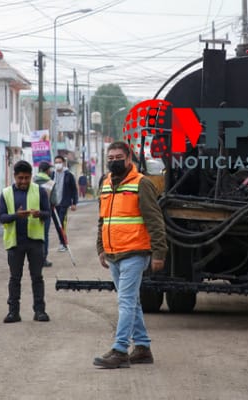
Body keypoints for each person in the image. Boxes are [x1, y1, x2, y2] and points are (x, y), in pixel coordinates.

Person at [93, 141, 167, 369]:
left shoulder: (141, 184)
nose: (113, 160)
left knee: (125, 302)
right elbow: (103, 219)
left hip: (135, 252)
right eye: (110, 157)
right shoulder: (105, 183)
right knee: (132, 302)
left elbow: (155, 220)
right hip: (113, 252)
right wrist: (100, 247)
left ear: (129, 159)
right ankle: (143, 348)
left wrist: (158, 253)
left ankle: (120, 350)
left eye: (118, 157)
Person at [0, 160, 51, 323]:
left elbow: (48, 213)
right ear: (14, 176)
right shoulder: (6, 193)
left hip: (35, 242)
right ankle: (13, 312)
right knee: (15, 278)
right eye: (20, 178)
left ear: (31, 177)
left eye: (27, 178)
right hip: (15, 243)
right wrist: (16, 216)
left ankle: (40, 311)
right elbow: (1, 217)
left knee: (37, 277)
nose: (23, 181)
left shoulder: (39, 191)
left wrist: (39, 214)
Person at [51, 155, 78, 252]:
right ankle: (63, 242)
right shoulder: (51, 175)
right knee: (57, 224)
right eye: (56, 162)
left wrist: (74, 203)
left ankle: (63, 243)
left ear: (63, 163)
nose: (58, 164)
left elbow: (74, 190)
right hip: (54, 204)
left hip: (64, 203)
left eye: (59, 162)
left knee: (61, 223)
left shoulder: (68, 175)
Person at [34, 161, 55, 267]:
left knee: (33, 235)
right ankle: (43, 258)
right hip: (45, 212)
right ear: (47, 171)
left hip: (32, 212)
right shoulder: (50, 183)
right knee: (44, 236)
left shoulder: (32, 181)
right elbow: (54, 200)